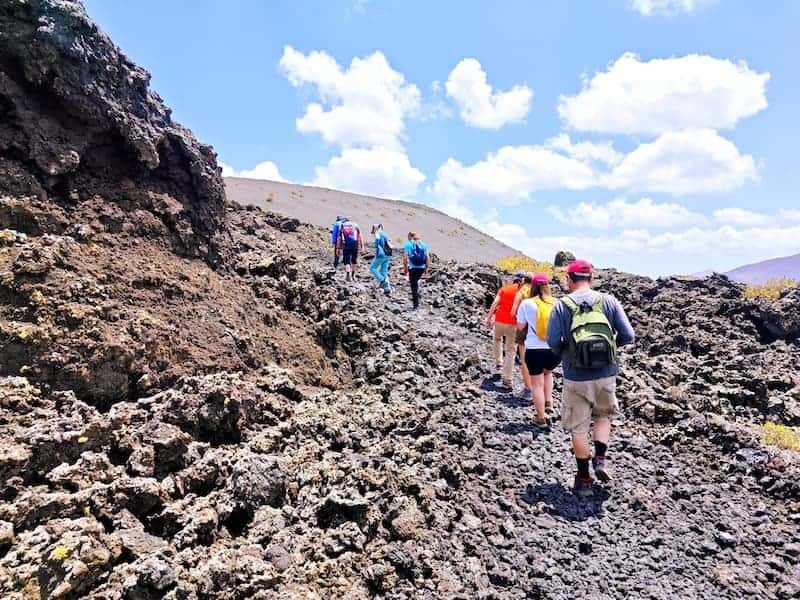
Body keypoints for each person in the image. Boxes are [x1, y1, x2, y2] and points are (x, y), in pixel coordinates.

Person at [547, 259, 635, 498]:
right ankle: (601, 459)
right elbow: (628, 335)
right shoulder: (609, 301)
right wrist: (608, 349)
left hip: (576, 377)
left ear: (568, 279)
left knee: (578, 428)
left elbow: (553, 342)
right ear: (592, 278)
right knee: (603, 416)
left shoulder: (561, 306)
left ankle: (584, 479)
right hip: (606, 373)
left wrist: (570, 353)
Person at [516, 274, 560, 426]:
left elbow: (520, 326)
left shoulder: (527, 303)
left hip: (534, 350)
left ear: (532, 287)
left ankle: (540, 418)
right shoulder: (557, 303)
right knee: (548, 372)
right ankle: (549, 403)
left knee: (536, 385)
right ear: (548, 286)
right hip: (555, 350)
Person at [484, 272, 524, 389]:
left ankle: (499, 362)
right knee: (511, 351)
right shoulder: (522, 292)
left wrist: (489, 317)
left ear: (514, 280)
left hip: (500, 321)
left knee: (497, 339)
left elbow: (495, 303)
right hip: (514, 324)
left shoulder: (504, 289)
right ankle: (507, 379)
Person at [511, 273, 534, 399]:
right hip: (539, 330)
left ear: (523, 280)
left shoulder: (521, 292)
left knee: (525, 360)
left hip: (524, 329)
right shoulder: (539, 292)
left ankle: (528, 389)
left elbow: (513, 312)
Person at [402, 231, 430, 310]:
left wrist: (405, 268)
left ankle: (416, 305)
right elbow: (427, 257)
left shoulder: (408, 244)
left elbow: (405, 257)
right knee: (416, 283)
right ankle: (417, 298)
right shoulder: (423, 244)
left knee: (413, 286)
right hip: (421, 268)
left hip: (412, 267)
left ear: (410, 236)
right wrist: (427, 268)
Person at [336, 218, 364, 282]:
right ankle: (353, 275)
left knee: (346, 261)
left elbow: (339, 238)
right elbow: (360, 237)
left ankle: (348, 274)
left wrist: (338, 248)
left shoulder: (343, 226)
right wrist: (362, 247)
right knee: (354, 260)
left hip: (346, 245)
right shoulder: (355, 225)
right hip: (355, 244)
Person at [369, 224, 393, 295]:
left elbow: (378, 243)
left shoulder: (378, 234)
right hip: (388, 254)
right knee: (383, 270)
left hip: (381, 254)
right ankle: (387, 288)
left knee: (372, 268)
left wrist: (377, 247)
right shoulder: (385, 233)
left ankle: (382, 281)